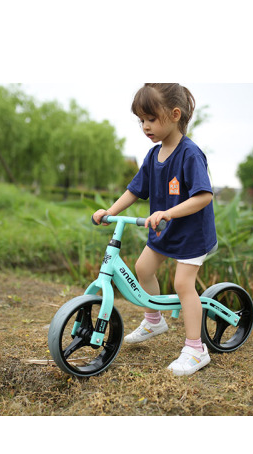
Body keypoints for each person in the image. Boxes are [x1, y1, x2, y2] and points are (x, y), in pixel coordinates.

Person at [93, 83, 217, 376]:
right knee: (143, 267)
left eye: (151, 119)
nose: (145, 126)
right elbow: (135, 190)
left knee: (183, 285)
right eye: (141, 120)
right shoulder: (153, 156)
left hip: (191, 235)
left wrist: (168, 212)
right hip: (165, 231)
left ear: (175, 115)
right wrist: (110, 211)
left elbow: (204, 196)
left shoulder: (190, 154)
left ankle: (196, 350)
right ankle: (154, 320)